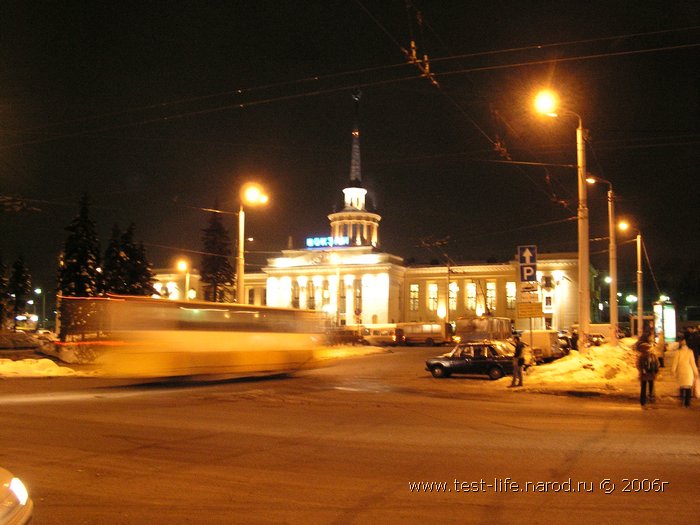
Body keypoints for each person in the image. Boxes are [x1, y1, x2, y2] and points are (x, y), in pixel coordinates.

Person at [671, 336, 699, 408]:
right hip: (688, 372)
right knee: (688, 388)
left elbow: (675, 363)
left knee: (682, 387)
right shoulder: (690, 352)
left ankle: (682, 402)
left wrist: (673, 371)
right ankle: (688, 403)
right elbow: (692, 363)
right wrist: (696, 372)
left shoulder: (678, 352)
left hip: (681, 371)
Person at [636, 343, 659, 407]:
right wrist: (656, 371)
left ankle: (643, 401)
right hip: (651, 374)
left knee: (643, 388)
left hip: (644, 375)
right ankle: (651, 399)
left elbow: (638, 365)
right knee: (651, 387)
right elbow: (657, 364)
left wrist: (641, 370)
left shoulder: (641, 356)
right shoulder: (652, 355)